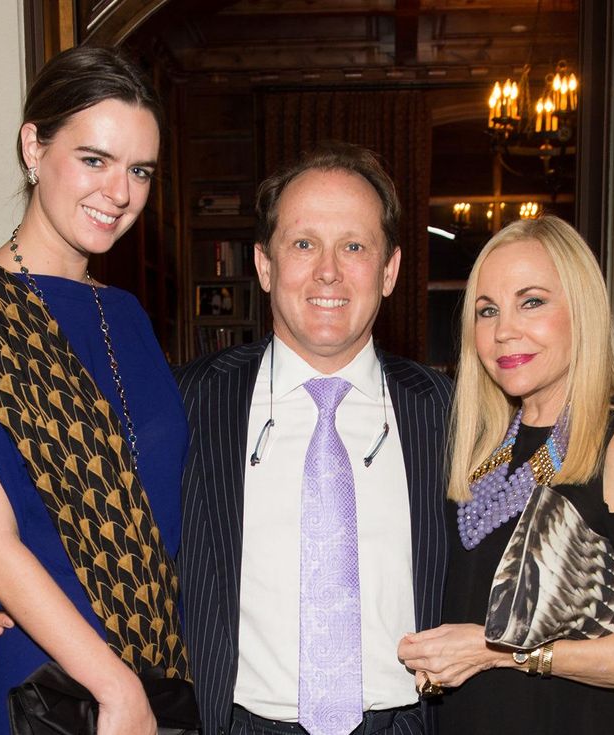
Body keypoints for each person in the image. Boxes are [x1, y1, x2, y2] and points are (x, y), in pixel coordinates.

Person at [0, 46, 191, 735]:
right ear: (33, 145)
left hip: (162, 668)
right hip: (55, 686)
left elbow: (161, 504)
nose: (119, 192)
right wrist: (118, 689)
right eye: (94, 159)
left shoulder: (129, 315)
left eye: (138, 170)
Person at [175, 142, 452, 735]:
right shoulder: (190, 402)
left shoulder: (447, 412)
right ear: (264, 264)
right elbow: (109, 525)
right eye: (304, 244)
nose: (329, 270)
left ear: (390, 269)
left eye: (354, 246)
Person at [397, 216, 614, 735]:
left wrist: (504, 651)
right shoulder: (476, 452)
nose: (503, 330)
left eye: (531, 302)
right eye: (487, 310)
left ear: (581, 313)